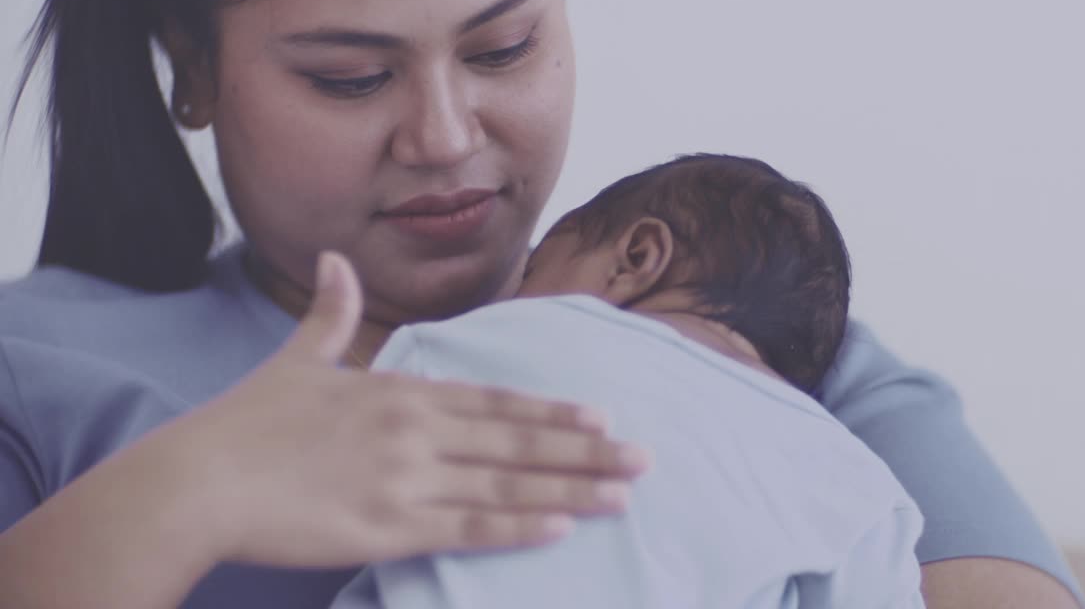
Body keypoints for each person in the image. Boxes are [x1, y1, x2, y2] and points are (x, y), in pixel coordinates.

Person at [0, 0, 1085, 608]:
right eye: (350, 76)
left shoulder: (760, 348)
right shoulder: (37, 370)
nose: (445, 137)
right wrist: (192, 489)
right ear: (190, 67)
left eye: (504, 46)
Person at [333, 153, 926, 608]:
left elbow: (368, 447)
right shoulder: (860, 485)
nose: (514, 295)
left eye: (533, 271)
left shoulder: (525, 336)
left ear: (637, 257)